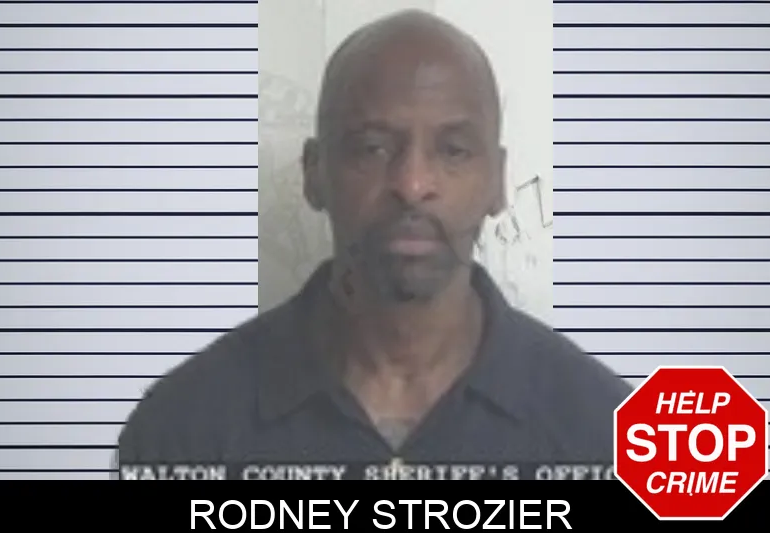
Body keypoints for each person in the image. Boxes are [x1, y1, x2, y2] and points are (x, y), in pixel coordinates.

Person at [116, 9, 632, 475]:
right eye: (373, 148)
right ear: (314, 173)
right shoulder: (184, 429)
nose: (412, 183)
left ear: (498, 181)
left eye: (453, 150)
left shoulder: (604, 434)